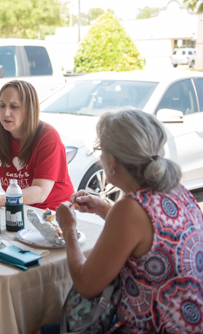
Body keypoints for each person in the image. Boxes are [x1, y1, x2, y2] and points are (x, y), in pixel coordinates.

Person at [45, 109, 203, 333]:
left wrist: (68, 227)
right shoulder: (176, 190)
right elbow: (150, 236)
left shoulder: (129, 208)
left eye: (99, 150)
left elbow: (86, 284)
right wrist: (103, 208)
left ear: (112, 161)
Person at [0, 80, 74, 211]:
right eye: (2, 106)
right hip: (16, 207)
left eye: (14, 107)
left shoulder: (48, 137)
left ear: (29, 110)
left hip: (53, 212)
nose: (6, 112)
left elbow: (41, 192)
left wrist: (1, 199)